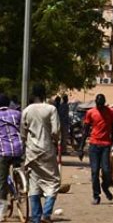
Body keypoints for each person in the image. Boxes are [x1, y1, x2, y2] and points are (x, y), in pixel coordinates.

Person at [22, 83, 61, 222]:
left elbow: (23, 133)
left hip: (31, 151)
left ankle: (36, 218)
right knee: (53, 182)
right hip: (47, 149)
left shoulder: (27, 110)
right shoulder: (51, 109)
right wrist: (55, 140)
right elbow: (56, 131)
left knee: (34, 184)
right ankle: (47, 212)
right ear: (44, 94)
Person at [78, 94, 113, 205]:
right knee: (94, 172)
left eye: (101, 104)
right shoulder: (91, 112)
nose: (100, 106)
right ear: (96, 103)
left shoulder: (110, 112)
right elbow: (85, 131)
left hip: (105, 145)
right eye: (98, 104)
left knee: (106, 170)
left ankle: (105, 186)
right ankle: (96, 195)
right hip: (94, 145)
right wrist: (81, 148)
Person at [0, 94, 23, 219]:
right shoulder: (17, 113)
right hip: (19, 149)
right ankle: (19, 186)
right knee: (16, 166)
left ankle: (2, 213)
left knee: (1, 181)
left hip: (4, 151)